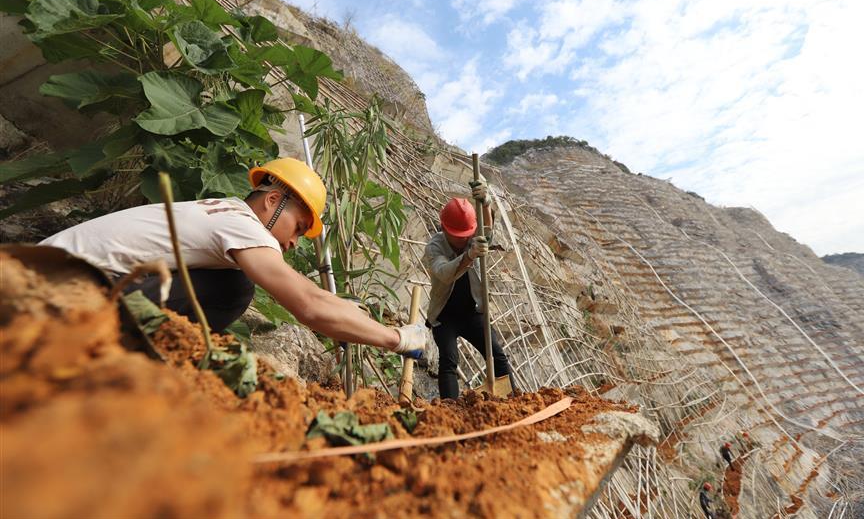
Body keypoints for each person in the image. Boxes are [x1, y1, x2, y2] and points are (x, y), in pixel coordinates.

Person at [40, 158, 427, 355]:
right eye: (298, 227)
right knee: (236, 288)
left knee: (231, 281)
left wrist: (344, 312)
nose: (295, 242)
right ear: (273, 200)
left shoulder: (222, 210)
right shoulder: (244, 227)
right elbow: (308, 304)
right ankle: (105, 352)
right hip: (49, 301)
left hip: (45, 278)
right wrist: (395, 338)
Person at [423, 177, 514, 399]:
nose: (464, 240)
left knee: (497, 355)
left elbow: (487, 231)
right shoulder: (435, 246)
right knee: (449, 360)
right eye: (459, 236)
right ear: (445, 228)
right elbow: (444, 273)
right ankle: (449, 410)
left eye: (467, 235)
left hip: (473, 312)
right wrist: (469, 255)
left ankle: (513, 401)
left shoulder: (473, 237)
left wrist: (485, 202)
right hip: (445, 316)